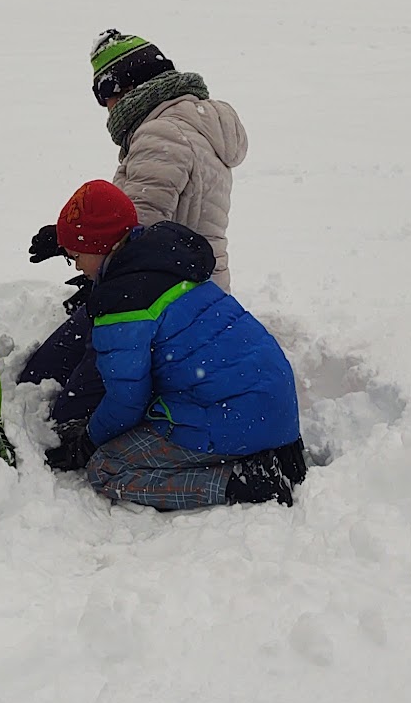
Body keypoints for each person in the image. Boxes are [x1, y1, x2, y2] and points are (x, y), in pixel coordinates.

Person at [21, 29, 250, 442]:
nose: (104, 107)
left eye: (103, 93)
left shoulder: (163, 134)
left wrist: (71, 240)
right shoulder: (188, 120)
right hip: (188, 288)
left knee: (48, 383)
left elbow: (135, 232)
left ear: (125, 85)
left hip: (158, 300)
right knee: (59, 366)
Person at [43, 180, 305, 509]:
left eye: (76, 256)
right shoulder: (165, 261)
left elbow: (126, 402)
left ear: (99, 246)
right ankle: (264, 445)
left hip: (236, 418)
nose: (77, 265)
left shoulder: (123, 307)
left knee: (107, 468)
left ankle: (244, 483)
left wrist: (86, 441)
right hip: (273, 403)